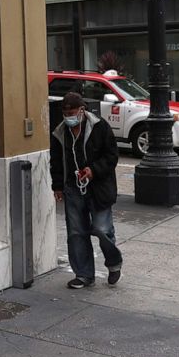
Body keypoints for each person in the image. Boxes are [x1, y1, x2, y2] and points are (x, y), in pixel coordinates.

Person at [50, 91, 123, 288]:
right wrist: (57, 186)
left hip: (98, 188)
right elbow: (56, 161)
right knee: (76, 232)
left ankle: (114, 263)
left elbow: (112, 156)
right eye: (65, 114)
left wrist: (93, 170)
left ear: (82, 110)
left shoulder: (100, 127)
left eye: (71, 113)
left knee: (101, 229)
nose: (68, 117)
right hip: (73, 188)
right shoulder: (60, 132)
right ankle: (83, 274)